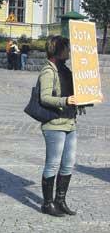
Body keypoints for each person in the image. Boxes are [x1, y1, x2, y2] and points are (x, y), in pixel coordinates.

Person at [39, 35, 77, 217]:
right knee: (53, 164)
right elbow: (44, 98)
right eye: (66, 48)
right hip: (54, 124)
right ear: (58, 50)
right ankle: (47, 204)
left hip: (70, 122)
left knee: (68, 164)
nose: (69, 52)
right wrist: (66, 100)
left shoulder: (66, 71)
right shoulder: (49, 71)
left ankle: (60, 200)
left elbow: (74, 96)